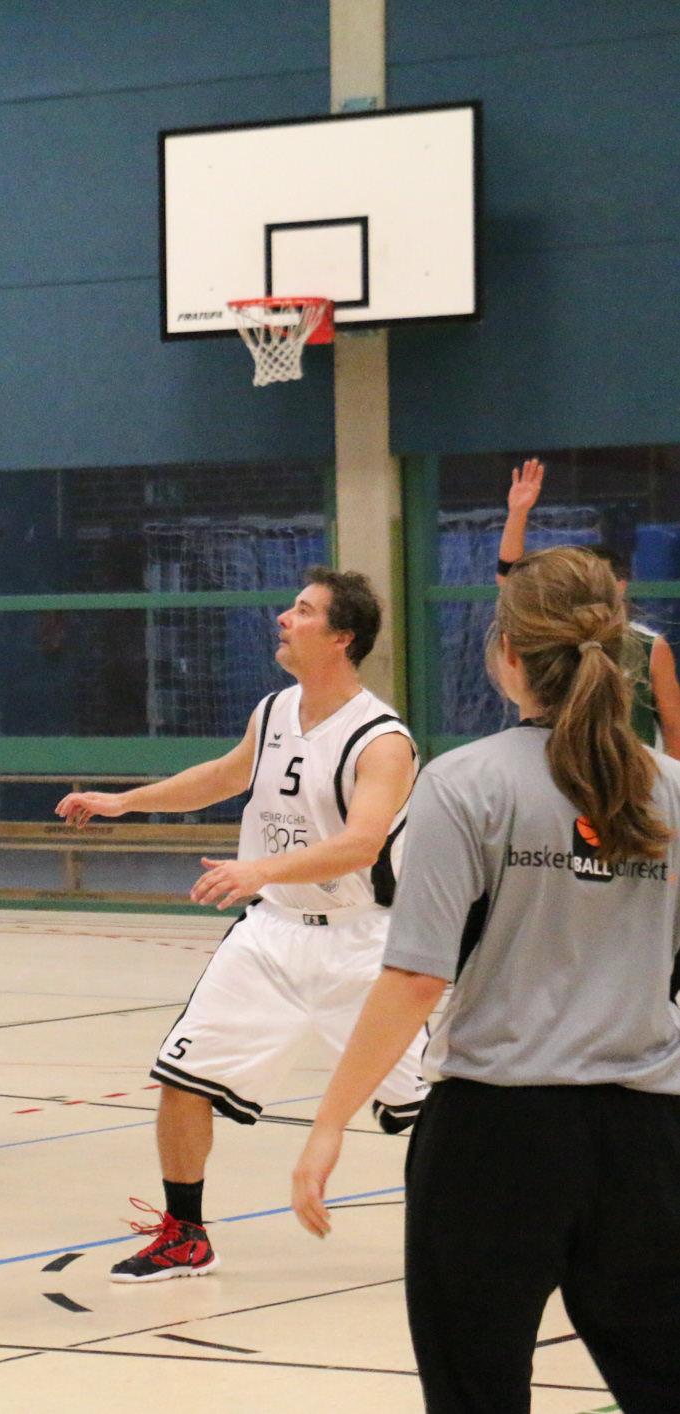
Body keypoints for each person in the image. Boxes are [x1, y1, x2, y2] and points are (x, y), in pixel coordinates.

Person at [293, 546, 680, 1412]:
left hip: (494, 1137)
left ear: (506, 652)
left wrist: (327, 1122)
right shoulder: (670, 790)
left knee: (476, 1391)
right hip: (647, 1138)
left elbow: (413, 978)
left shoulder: (463, 783)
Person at [57, 568, 422, 1282]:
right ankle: (184, 1235)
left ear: (341, 638)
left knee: (428, 1110)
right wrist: (124, 802)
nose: (283, 618)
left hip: (362, 944)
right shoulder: (275, 709)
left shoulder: (382, 740)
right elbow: (224, 776)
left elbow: (362, 844)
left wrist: (257, 870)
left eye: (303, 610)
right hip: (271, 935)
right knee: (181, 1078)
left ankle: (493, 1227)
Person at [496, 457, 680, 753]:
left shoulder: (647, 646)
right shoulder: (555, 635)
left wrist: (670, 775)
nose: (588, 588)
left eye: (598, 579)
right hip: (560, 765)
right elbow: (511, 582)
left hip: (630, 772)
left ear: (620, 586)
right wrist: (517, 514)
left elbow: (674, 725)